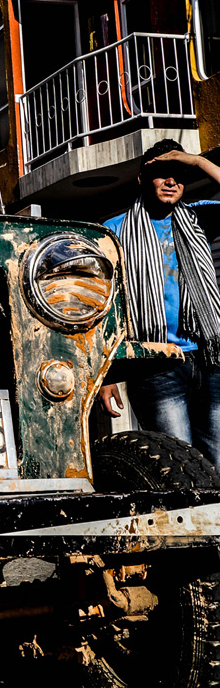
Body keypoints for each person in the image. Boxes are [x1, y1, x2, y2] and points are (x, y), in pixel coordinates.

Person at [99, 139, 220, 466]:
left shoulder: (198, 217)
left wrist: (195, 160)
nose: (171, 182)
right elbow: (107, 305)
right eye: (161, 174)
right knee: (179, 467)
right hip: (154, 364)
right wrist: (107, 374)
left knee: (219, 465)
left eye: (178, 174)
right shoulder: (114, 230)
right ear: (140, 179)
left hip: (209, 360)